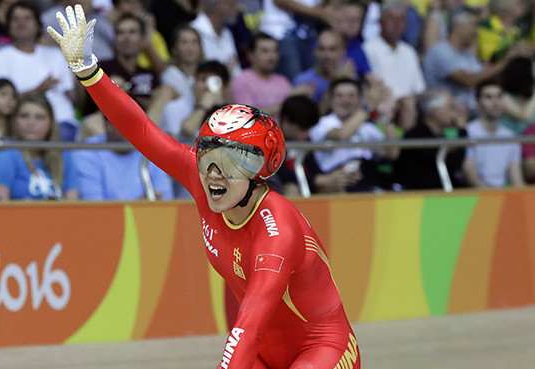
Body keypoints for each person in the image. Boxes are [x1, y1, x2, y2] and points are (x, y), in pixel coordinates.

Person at [48, 5, 360, 368]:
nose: (213, 173)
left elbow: (248, 327)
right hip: (263, 350)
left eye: (229, 164)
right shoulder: (201, 175)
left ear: (258, 171)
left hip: (322, 347)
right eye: (208, 155)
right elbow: (141, 130)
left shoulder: (278, 232)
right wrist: (88, 72)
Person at [0, 0, 80, 141]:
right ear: (8, 26)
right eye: (15, 19)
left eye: (27, 18)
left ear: (37, 25)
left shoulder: (57, 55)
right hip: (19, 124)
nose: (21, 23)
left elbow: (73, 97)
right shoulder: (0, 57)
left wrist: (81, 72)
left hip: (61, 120)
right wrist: (38, 90)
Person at [423, 7, 531, 113]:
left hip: (471, 110)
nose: (477, 32)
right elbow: (468, 80)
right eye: (474, 26)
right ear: (458, 26)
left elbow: (485, 74)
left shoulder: (467, 54)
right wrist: (507, 61)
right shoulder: (440, 51)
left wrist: (514, 54)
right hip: (448, 112)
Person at [0, 92, 79, 201]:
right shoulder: (0, 153)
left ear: (51, 123)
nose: (31, 122)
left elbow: (73, 204)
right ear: (13, 120)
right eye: (24, 116)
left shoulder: (63, 155)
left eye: (40, 117)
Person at [309, 78, 398, 192]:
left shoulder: (367, 127)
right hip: (336, 182)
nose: (346, 100)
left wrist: (386, 116)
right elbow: (341, 135)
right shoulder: (322, 124)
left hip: (368, 179)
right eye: (339, 96)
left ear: (359, 99)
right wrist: (367, 107)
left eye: (351, 96)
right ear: (330, 100)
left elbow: (392, 153)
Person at [276, 94, 362, 195]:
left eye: (309, 129)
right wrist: (319, 180)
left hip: (305, 184)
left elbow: (314, 168)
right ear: (286, 121)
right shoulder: (270, 141)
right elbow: (281, 174)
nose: (308, 134)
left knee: (335, 188)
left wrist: (339, 175)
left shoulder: (305, 140)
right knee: (292, 189)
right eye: (303, 129)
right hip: (277, 192)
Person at [73, 118, 173, 200]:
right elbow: (95, 210)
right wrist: (141, 205)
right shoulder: (88, 151)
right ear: (107, 125)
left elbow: (165, 201)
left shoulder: (152, 149)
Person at [362, 2, 425, 130]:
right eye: (392, 18)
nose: (397, 23)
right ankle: (405, 147)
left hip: (408, 103)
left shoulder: (409, 51)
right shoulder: (368, 49)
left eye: (402, 19)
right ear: (380, 21)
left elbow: (419, 89)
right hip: (382, 101)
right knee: (403, 104)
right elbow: (373, 86)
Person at [392, 88, 468, 190]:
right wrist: (462, 131)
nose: (455, 113)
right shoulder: (416, 136)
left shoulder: (439, 136)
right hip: (419, 196)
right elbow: (452, 162)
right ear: (435, 111)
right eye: (450, 108)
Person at [462, 81, 525, 188]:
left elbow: (516, 179)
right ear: (477, 102)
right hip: (474, 198)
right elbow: (472, 180)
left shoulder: (510, 136)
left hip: (501, 197)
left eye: (499, 96)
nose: (495, 102)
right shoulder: (467, 132)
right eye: (488, 97)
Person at [231, 32, 293, 118]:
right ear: (250, 55)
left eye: (275, 51)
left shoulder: (283, 81)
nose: (272, 56)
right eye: (265, 51)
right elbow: (247, 116)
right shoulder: (241, 80)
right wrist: (287, 104)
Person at [190, 0, 242, 75]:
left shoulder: (227, 33)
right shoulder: (193, 32)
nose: (239, 8)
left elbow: (236, 71)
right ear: (217, 6)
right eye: (232, 4)